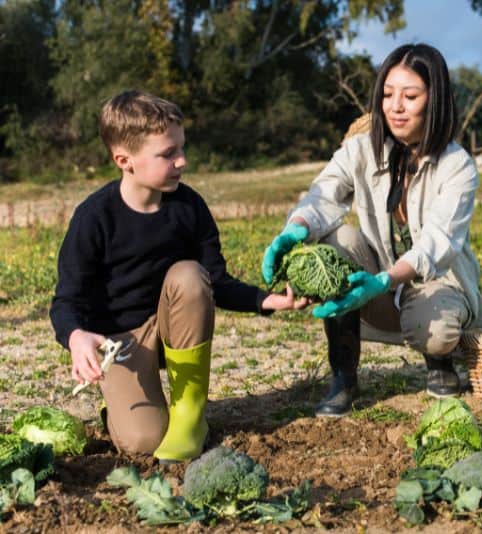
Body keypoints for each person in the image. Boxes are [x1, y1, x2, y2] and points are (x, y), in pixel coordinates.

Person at [50, 90, 307, 463]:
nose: (181, 160)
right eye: (168, 154)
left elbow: (214, 281)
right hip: (122, 342)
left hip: (175, 324)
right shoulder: (94, 217)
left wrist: (267, 300)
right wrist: (76, 338)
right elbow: (67, 300)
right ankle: (122, 411)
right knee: (143, 442)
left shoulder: (189, 207)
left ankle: (190, 413)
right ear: (125, 160)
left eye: (181, 148)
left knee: (189, 275)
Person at [261, 43, 482, 417]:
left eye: (410, 96)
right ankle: (344, 376)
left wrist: (384, 281)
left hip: (435, 284)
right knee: (340, 239)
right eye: (387, 94)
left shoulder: (457, 166)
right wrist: (296, 228)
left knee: (437, 332)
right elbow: (323, 194)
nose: (395, 106)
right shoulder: (360, 149)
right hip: (377, 285)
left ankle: (439, 361)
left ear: (435, 100)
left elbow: (436, 243)